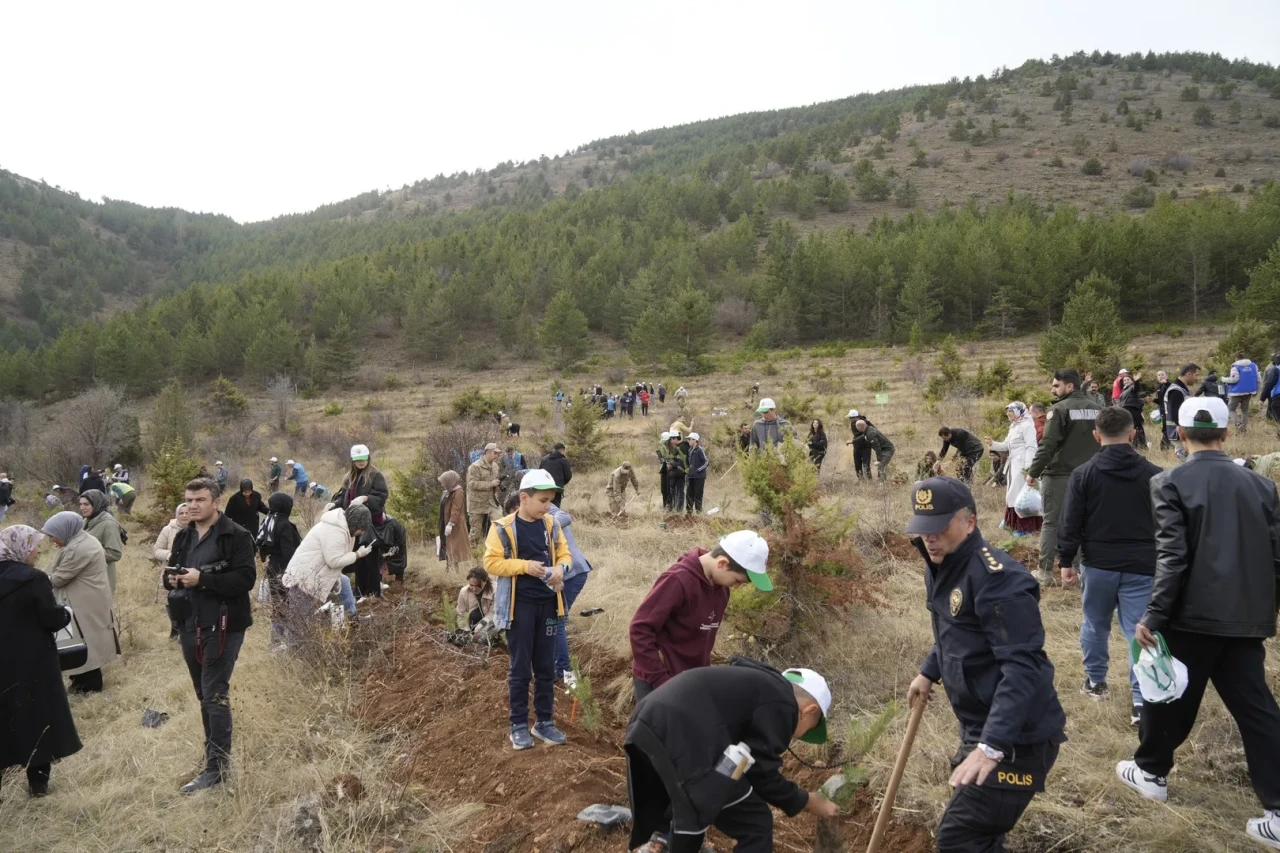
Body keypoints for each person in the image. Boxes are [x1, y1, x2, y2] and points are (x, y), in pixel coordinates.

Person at [1114, 396, 1280, 850]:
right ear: (1226, 434)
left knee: (1167, 692)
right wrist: (1267, 611)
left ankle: (1150, 771)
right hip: (1246, 617)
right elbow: (1276, 557)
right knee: (1257, 710)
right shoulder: (1262, 486)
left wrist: (1154, 615)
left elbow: (1173, 556)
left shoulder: (1168, 482)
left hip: (1190, 615)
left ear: (1180, 434)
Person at [905, 477, 1066, 853]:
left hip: (1018, 739)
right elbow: (956, 632)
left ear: (970, 523)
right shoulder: (942, 564)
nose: (930, 538)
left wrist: (991, 746)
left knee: (959, 838)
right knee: (979, 833)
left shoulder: (1000, 581)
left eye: (940, 527)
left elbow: (1023, 667)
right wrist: (929, 671)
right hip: (979, 723)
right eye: (924, 528)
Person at [625, 660, 838, 853]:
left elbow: (744, 760)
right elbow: (761, 772)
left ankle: (664, 843)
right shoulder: (785, 705)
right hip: (681, 737)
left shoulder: (759, 686)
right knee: (754, 823)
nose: (798, 736)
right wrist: (806, 800)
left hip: (647, 721)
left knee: (689, 806)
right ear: (808, 711)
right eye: (809, 730)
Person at [1056, 407, 1161, 725]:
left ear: (1096, 436)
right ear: (1133, 434)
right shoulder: (1154, 474)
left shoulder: (1083, 474)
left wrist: (1066, 560)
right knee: (1139, 631)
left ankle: (1096, 682)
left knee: (1094, 624)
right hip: (1142, 565)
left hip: (1098, 564)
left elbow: (1070, 521)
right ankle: (1141, 700)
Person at [161, 477, 257, 794]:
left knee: (214, 692)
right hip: (190, 621)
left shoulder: (235, 535)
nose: (192, 506)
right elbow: (170, 572)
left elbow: (245, 579)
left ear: (216, 502)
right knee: (204, 692)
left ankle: (217, 769)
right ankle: (213, 756)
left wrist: (202, 579)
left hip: (225, 624)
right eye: (189, 500)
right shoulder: (184, 536)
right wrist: (173, 580)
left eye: (200, 500)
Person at [482, 469, 571, 750]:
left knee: (545, 667)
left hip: (548, 605)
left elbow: (565, 554)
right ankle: (518, 725)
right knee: (520, 668)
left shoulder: (551, 525)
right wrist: (524, 566)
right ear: (524, 498)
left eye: (550, 500)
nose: (548, 506)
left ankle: (544, 722)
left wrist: (561, 568)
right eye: (543, 501)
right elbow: (491, 562)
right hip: (519, 607)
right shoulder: (503, 528)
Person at [630, 531, 772, 703]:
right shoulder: (678, 580)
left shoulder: (722, 590)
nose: (736, 587)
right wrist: (661, 680)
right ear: (722, 563)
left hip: (691, 678)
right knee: (657, 722)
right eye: (737, 581)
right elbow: (640, 629)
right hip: (659, 680)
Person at [0, 525, 81, 798]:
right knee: (37, 718)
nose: (37, 551)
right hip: (32, 662)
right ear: (21, 548)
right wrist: (65, 614)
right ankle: (38, 785)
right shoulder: (34, 578)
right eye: (33, 545)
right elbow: (50, 618)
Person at [1025, 368, 1103, 587]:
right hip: (1090, 475)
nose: (1053, 390)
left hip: (1060, 475)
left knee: (1051, 523)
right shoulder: (1098, 409)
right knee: (1083, 523)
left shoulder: (1059, 410)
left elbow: (1048, 445)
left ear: (1069, 386)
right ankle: (1076, 573)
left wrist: (1033, 472)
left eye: (1056, 385)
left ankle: (1045, 572)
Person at [42, 511, 119, 695]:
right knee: (81, 641)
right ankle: (80, 683)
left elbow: (58, 578)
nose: (51, 539)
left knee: (85, 643)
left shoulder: (79, 548)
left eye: (53, 535)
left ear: (65, 530)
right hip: (84, 601)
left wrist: (34, 580)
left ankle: (88, 687)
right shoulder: (79, 541)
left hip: (84, 604)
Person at [281, 503, 370, 636]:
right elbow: (334, 561)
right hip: (304, 578)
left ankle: (352, 620)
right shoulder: (335, 531)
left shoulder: (344, 528)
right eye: (362, 529)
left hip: (317, 572)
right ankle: (293, 646)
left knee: (344, 582)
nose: (362, 533)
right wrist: (357, 554)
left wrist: (336, 576)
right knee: (299, 622)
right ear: (356, 523)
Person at [333, 444, 391, 599]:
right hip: (353, 525)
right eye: (358, 459)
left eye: (363, 459)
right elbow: (343, 496)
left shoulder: (375, 475)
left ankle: (373, 593)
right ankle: (359, 591)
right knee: (357, 558)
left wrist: (365, 498)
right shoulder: (349, 477)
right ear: (352, 460)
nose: (361, 462)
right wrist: (334, 504)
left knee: (371, 559)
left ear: (368, 458)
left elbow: (382, 497)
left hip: (370, 524)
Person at [549, 501, 594, 686]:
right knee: (554, 621)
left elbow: (565, 517)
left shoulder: (546, 510)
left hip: (572, 574)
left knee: (556, 621)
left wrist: (545, 525)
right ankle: (557, 667)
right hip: (564, 576)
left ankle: (564, 673)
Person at [989, 402, 1042, 536]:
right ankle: (1011, 522)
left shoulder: (1027, 426)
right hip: (1013, 464)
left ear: (1019, 412)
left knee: (1019, 494)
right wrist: (992, 443)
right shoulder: (1014, 426)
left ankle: (1024, 527)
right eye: (1008, 411)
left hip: (1022, 464)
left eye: (1011, 411)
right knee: (1012, 493)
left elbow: (1031, 447)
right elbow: (1006, 445)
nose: (1008, 414)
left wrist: (1028, 467)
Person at [257, 492, 301, 647]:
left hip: (272, 568)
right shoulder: (284, 525)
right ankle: (288, 642)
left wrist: (266, 559)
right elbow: (289, 553)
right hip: (285, 569)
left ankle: (275, 641)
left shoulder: (268, 521)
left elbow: (261, 547)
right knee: (290, 605)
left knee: (278, 605)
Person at [78, 490, 123, 594]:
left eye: (86, 504)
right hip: (86, 575)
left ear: (97, 504)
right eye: (80, 504)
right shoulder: (86, 520)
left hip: (100, 578)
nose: (82, 508)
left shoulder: (109, 524)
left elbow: (115, 553)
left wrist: (86, 552)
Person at [467, 443, 503, 546]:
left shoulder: (495, 466)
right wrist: (490, 484)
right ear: (487, 452)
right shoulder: (475, 467)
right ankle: (472, 551)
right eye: (495, 453)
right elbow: (472, 484)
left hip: (492, 501)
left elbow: (494, 480)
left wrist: (498, 483)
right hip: (477, 503)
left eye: (498, 453)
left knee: (500, 524)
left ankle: (497, 547)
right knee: (475, 532)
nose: (497, 455)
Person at [1162, 364, 1199, 460]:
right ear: (1189, 374)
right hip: (1178, 434)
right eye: (1196, 375)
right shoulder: (1176, 391)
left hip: (1181, 433)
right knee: (1186, 463)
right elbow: (1176, 415)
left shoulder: (1180, 389)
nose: (1197, 378)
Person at [437, 471, 470, 571]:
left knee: (454, 547)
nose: (442, 484)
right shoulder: (448, 491)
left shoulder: (458, 492)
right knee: (447, 545)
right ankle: (449, 567)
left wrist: (451, 524)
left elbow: (456, 509)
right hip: (445, 522)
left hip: (454, 524)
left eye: (444, 482)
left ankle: (454, 570)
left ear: (449, 481)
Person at [1224, 351, 1259, 434]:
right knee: (1245, 410)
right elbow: (1258, 379)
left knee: (1231, 408)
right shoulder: (1253, 366)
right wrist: (1256, 390)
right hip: (1249, 391)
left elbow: (1234, 379)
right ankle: (1243, 429)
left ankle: (1238, 424)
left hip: (1236, 392)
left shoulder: (1235, 367)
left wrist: (1224, 379)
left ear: (1236, 359)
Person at [1117, 373, 1148, 449]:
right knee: (1133, 427)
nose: (1126, 381)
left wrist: (1136, 381)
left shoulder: (1132, 387)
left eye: (1128, 379)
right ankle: (1139, 445)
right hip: (1126, 410)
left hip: (1133, 409)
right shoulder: (1124, 389)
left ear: (1131, 381)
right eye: (1125, 380)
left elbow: (1136, 388)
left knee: (1136, 426)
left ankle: (1139, 445)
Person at [375, 513, 408, 584]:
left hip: (397, 541)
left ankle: (399, 580)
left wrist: (387, 554)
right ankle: (378, 581)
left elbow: (396, 546)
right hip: (384, 540)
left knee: (398, 558)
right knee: (380, 559)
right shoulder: (377, 522)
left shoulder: (392, 525)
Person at [846, 409, 874, 480]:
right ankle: (861, 481)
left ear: (855, 417)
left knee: (866, 465)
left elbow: (867, 434)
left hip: (866, 447)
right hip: (857, 447)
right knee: (857, 465)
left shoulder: (865, 423)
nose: (849, 419)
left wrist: (853, 441)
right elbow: (856, 435)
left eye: (850, 418)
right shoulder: (853, 423)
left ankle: (869, 481)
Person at [686, 433, 709, 514]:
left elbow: (706, 462)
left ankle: (699, 512)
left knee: (698, 495)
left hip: (699, 477)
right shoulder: (689, 450)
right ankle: (689, 513)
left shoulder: (699, 449)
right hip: (691, 476)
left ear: (695, 440)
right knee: (689, 494)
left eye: (690, 439)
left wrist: (698, 470)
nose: (688, 441)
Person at [666, 432, 688, 514]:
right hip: (675, 473)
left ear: (676, 438)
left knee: (680, 492)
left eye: (672, 439)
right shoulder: (677, 448)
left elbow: (682, 462)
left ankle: (679, 510)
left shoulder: (683, 447)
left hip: (680, 473)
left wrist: (672, 464)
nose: (671, 441)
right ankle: (675, 509)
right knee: (674, 492)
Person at [1153, 370, 1172, 449]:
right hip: (1163, 410)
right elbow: (1161, 401)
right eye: (1159, 375)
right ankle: (1166, 446)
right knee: (1166, 428)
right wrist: (1153, 400)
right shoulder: (1160, 386)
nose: (1161, 376)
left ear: (1166, 376)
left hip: (1168, 411)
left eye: (1162, 374)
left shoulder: (1168, 385)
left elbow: (1172, 388)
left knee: (1167, 429)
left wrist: (1166, 383)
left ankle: (1164, 447)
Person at [657, 432, 675, 511]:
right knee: (663, 489)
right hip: (664, 470)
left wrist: (669, 462)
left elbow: (674, 460)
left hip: (670, 471)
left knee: (669, 489)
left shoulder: (674, 449)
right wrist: (661, 459)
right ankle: (665, 506)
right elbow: (661, 461)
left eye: (665, 442)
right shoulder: (663, 448)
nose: (664, 443)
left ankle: (670, 505)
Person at [1260, 355, 1280, 423]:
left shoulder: (1276, 370)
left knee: (1277, 420)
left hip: (1278, 396)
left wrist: (1262, 398)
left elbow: (1270, 384)